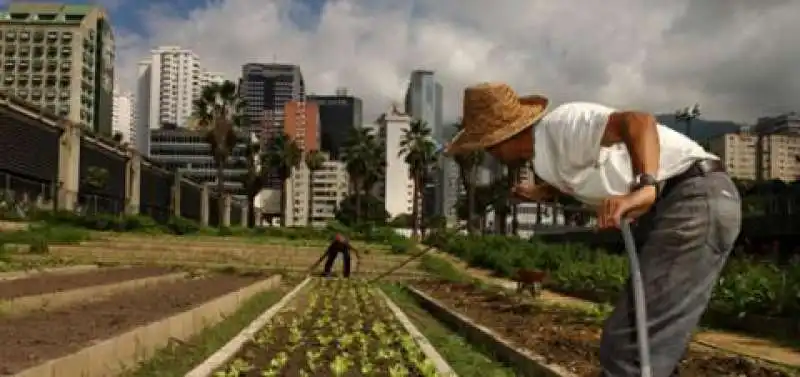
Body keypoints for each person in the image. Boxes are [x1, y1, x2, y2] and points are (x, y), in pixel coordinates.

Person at [445, 82, 741, 377]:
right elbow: (584, 173)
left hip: (693, 195)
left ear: (502, 138)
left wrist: (645, 185)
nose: (489, 153)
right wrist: (541, 192)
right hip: (676, 205)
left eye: (487, 145)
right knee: (650, 347)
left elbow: (637, 121)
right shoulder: (544, 160)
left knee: (629, 345)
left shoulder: (560, 125)